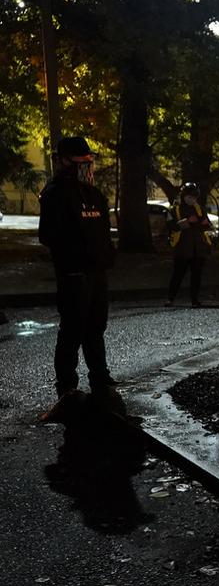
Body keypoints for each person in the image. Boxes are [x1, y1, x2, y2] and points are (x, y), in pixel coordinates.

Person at [38, 135, 116, 399]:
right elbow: (49, 235)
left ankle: (100, 379)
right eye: (81, 160)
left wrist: (105, 258)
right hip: (73, 273)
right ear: (63, 161)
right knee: (72, 329)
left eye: (88, 160)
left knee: (96, 327)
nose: (87, 164)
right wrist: (75, 257)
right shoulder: (55, 193)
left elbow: (103, 231)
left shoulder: (92, 193)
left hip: (97, 272)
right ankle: (67, 387)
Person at [166, 182, 214, 307]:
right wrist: (187, 222)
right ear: (183, 196)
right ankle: (170, 298)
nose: (192, 199)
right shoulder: (174, 210)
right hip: (182, 247)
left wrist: (204, 224)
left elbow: (207, 225)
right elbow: (171, 226)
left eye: (194, 197)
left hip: (198, 247)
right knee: (178, 274)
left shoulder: (200, 209)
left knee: (196, 275)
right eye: (189, 196)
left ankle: (195, 299)